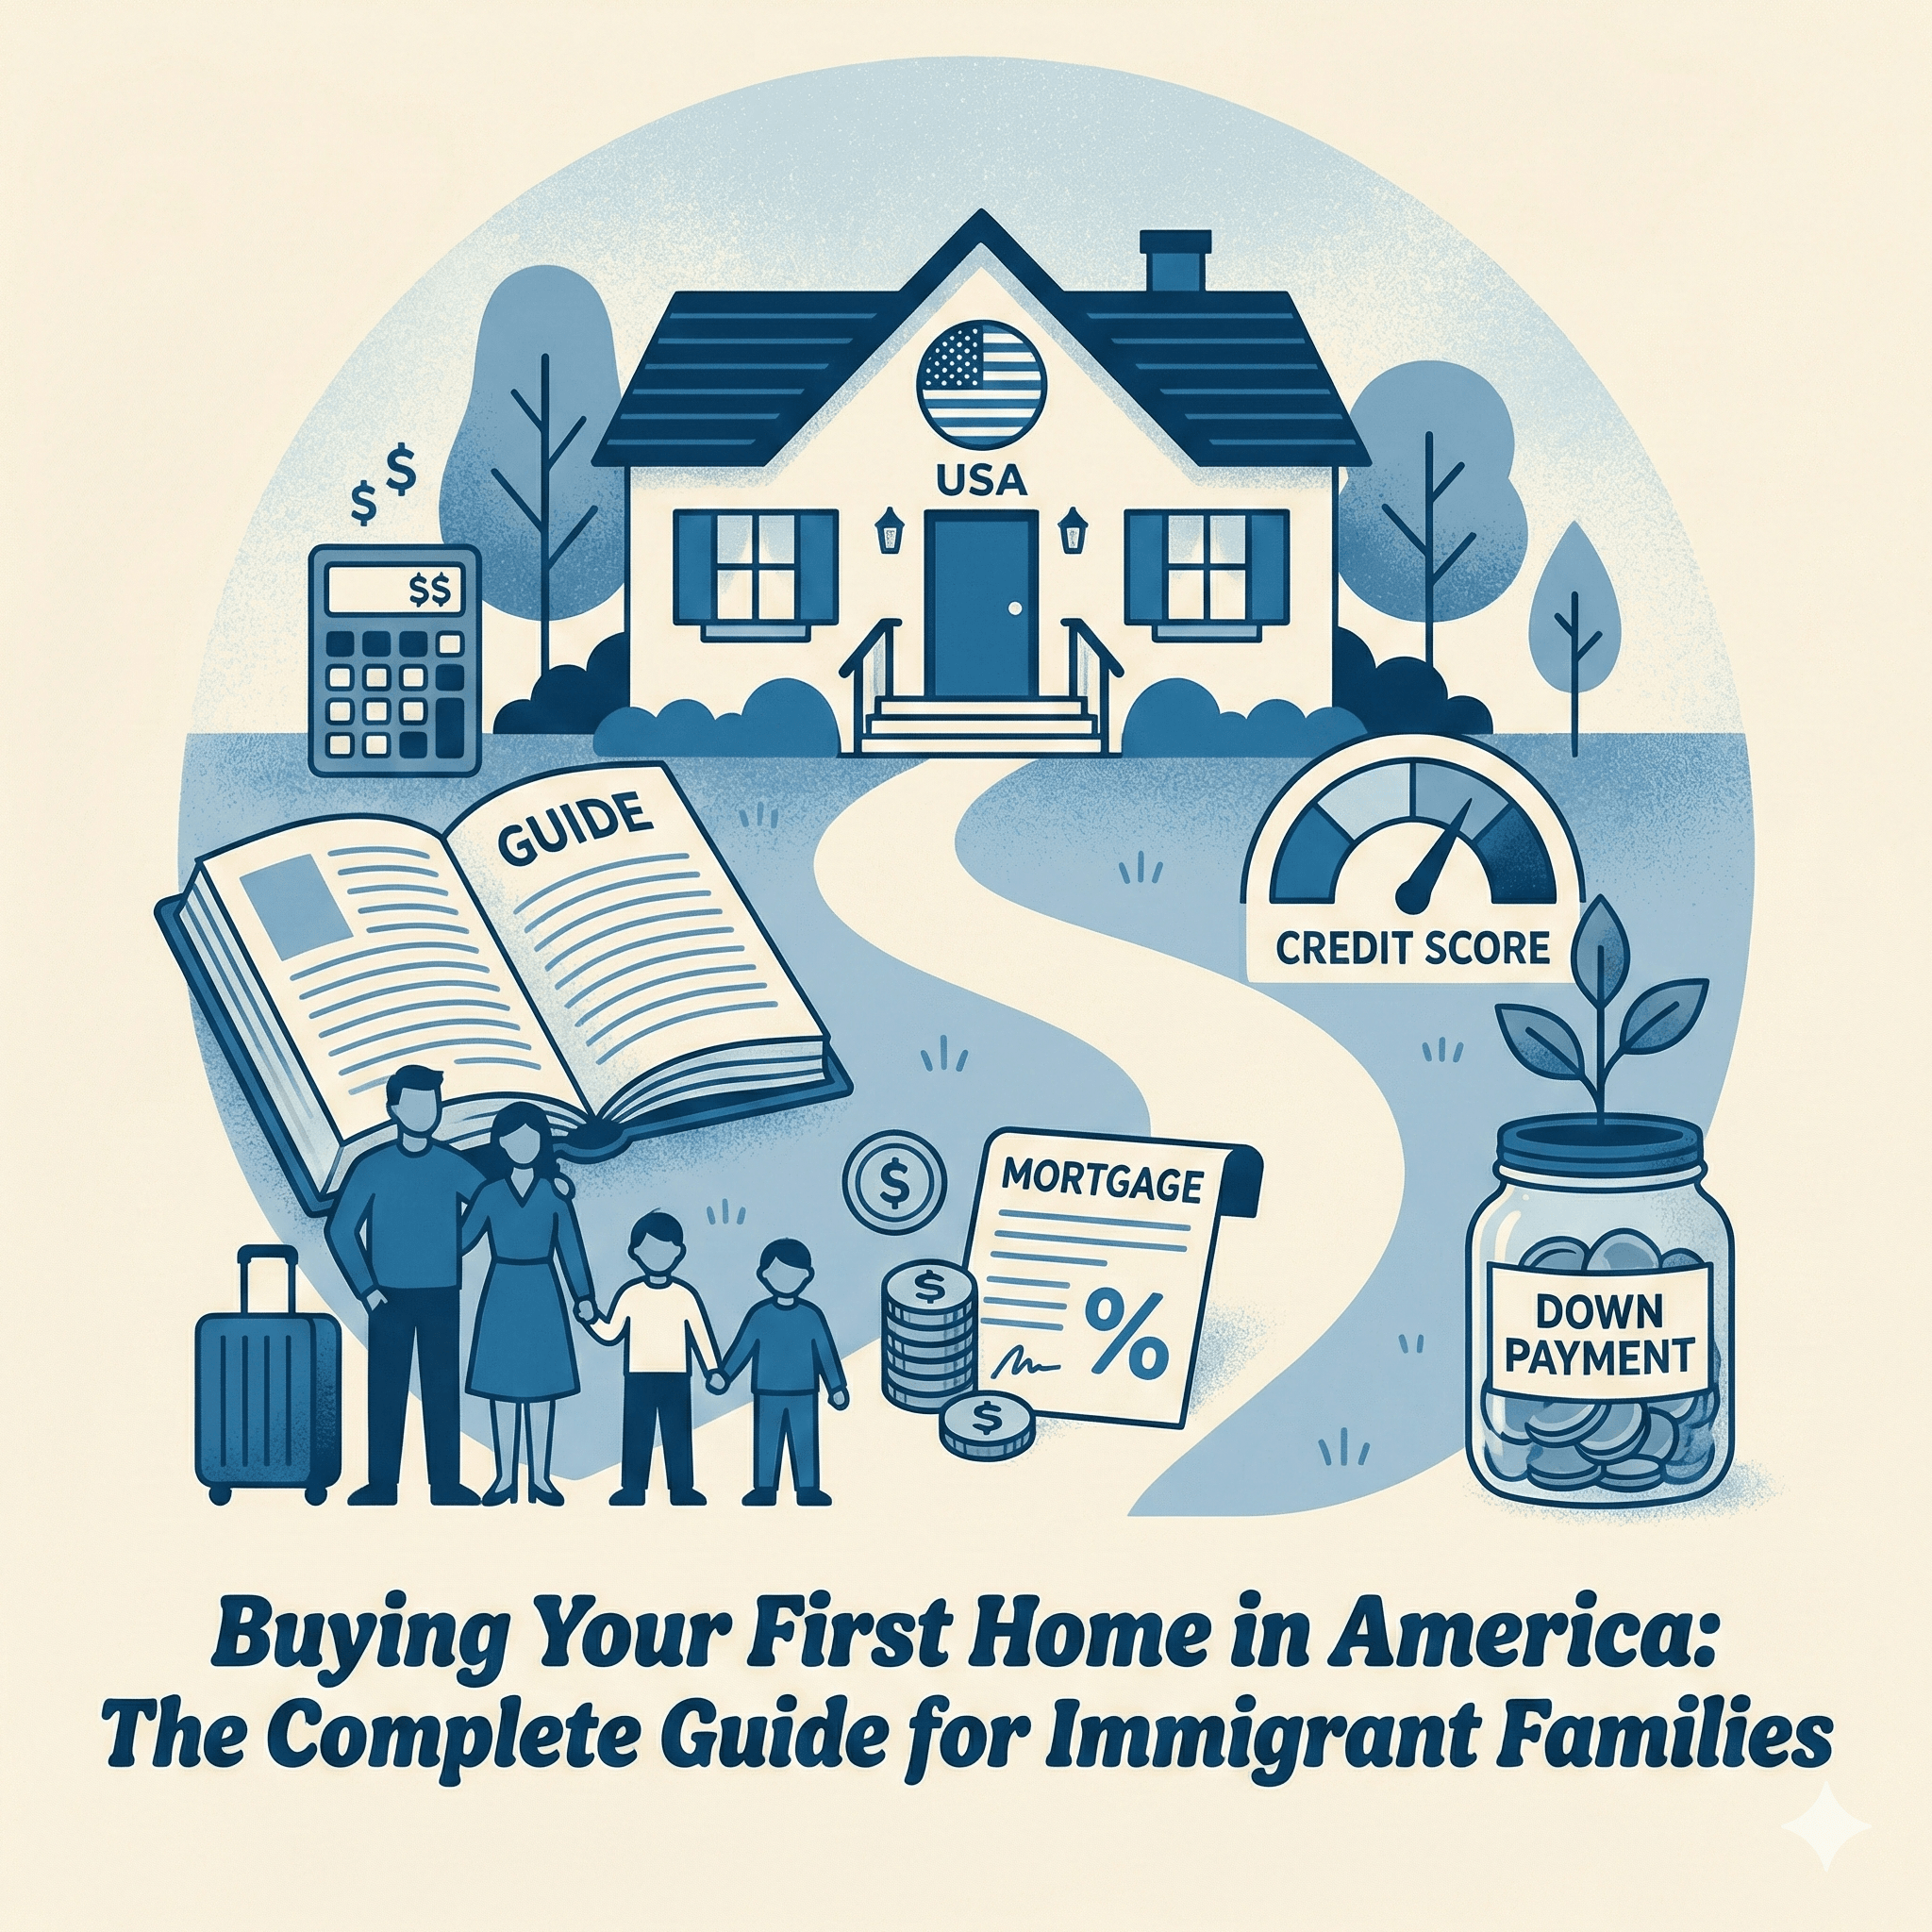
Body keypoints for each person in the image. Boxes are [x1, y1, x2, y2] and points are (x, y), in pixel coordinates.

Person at [324, 1064, 483, 1507]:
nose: (423, 1110)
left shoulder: (452, 1164)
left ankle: (447, 1486)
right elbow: (339, 1230)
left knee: (442, 1389)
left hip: (441, 1294)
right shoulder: (372, 1166)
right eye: (413, 1101)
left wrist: (456, 1247)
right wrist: (368, 1291)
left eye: (430, 1101)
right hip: (387, 1298)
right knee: (386, 1390)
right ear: (393, 1108)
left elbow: (489, 1203)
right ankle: (381, 1485)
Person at [460, 1103, 591, 1506]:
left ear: (542, 1142)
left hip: (543, 1290)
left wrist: (584, 1296)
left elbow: (571, 1246)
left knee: (542, 1390)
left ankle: (541, 1477)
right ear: (500, 1142)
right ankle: (503, 1477)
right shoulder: (490, 1193)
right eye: (514, 1137)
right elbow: (461, 1240)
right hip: (502, 1289)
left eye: (531, 1137)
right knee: (501, 1391)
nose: (523, 1144)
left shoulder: (553, 1193)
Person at [580, 1211, 720, 1507]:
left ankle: (682, 1490)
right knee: (637, 1435)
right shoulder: (630, 1295)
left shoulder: (685, 1296)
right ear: (635, 1253)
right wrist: (591, 1319)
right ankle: (633, 1489)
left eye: (666, 1248)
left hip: (677, 1376)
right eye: (649, 1248)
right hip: (638, 1375)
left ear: (678, 1252)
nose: (658, 1255)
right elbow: (610, 1332)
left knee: (677, 1435)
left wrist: (713, 1369)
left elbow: (701, 1335)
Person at [708, 1238, 848, 1507]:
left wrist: (836, 1387)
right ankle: (764, 1489)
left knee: (805, 1440)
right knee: (766, 1441)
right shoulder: (759, 1315)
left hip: (804, 1391)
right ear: (764, 1275)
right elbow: (743, 1347)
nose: (785, 1279)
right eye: (777, 1271)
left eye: (793, 1272)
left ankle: (808, 1489)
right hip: (767, 1390)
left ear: (806, 1276)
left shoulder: (811, 1315)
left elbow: (826, 1353)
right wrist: (725, 1375)